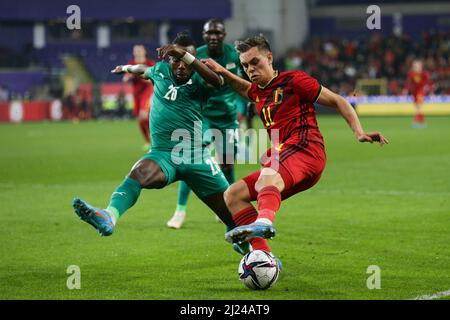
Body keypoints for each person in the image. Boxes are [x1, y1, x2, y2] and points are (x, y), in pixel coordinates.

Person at [203, 35, 388, 254]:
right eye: (245, 66)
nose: (250, 69)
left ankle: (263, 222)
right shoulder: (259, 91)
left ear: (269, 58)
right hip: (289, 162)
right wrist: (224, 72)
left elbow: (338, 100)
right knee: (233, 195)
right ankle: (262, 257)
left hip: (306, 149)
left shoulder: (294, 80)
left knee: (269, 160)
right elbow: (246, 90)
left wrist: (359, 132)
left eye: (255, 62)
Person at [72, 33, 245, 253]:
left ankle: (254, 252)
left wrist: (183, 54)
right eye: (176, 60)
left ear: (194, 60)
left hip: (196, 157)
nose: (181, 65)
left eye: (186, 59)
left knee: (233, 216)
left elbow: (218, 82)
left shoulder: (202, 79)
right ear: (169, 60)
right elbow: (143, 70)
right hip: (163, 154)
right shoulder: (161, 71)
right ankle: (108, 216)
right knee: (138, 174)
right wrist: (126, 67)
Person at [167, 19, 244, 229]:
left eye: (217, 33)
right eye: (209, 32)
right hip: (203, 116)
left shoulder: (234, 56)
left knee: (227, 164)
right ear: (203, 35)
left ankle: (227, 206)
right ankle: (180, 211)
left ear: (224, 34)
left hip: (228, 118)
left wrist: (242, 109)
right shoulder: (195, 54)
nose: (213, 36)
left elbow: (242, 85)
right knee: (192, 161)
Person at [123, 44, 155, 148]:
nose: (138, 52)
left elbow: (153, 80)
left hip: (147, 92)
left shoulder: (149, 64)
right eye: (136, 51)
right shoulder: (131, 64)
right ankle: (148, 141)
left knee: (143, 115)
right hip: (136, 94)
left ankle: (153, 138)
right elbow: (124, 78)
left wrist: (142, 77)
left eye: (140, 50)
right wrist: (128, 77)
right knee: (140, 119)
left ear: (144, 52)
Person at [404, 59, 433, 128]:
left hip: (420, 91)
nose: (416, 67)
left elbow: (429, 82)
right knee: (417, 107)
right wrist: (406, 90)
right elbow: (408, 83)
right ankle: (423, 122)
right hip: (414, 92)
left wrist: (431, 91)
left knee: (418, 107)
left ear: (420, 66)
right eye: (414, 66)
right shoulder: (412, 74)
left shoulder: (424, 73)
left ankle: (416, 121)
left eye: (417, 65)